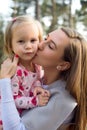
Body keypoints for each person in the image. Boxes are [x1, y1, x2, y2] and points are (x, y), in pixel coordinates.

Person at [0, 26, 87, 130]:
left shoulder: (64, 100)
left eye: (50, 46)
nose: (40, 45)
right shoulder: (35, 78)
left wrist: (4, 79)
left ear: (63, 65)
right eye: (46, 38)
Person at [0, 15, 50, 129]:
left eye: (33, 40)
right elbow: (13, 100)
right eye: (21, 41)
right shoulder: (15, 70)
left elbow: (35, 80)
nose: (28, 46)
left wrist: (38, 87)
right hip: (8, 118)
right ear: (10, 46)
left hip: (26, 116)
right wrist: (35, 101)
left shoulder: (37, 65)